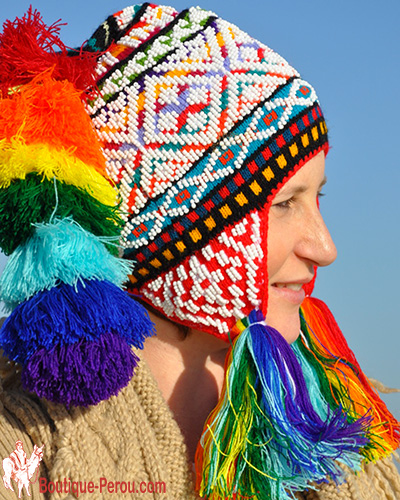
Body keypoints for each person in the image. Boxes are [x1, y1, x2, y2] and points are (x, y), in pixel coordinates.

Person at [0, 4, 399, 500]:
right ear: (175, 233)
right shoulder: (21, 460)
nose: (325, 247)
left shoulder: (338, 446)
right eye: (286, 204)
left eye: (318, 198)